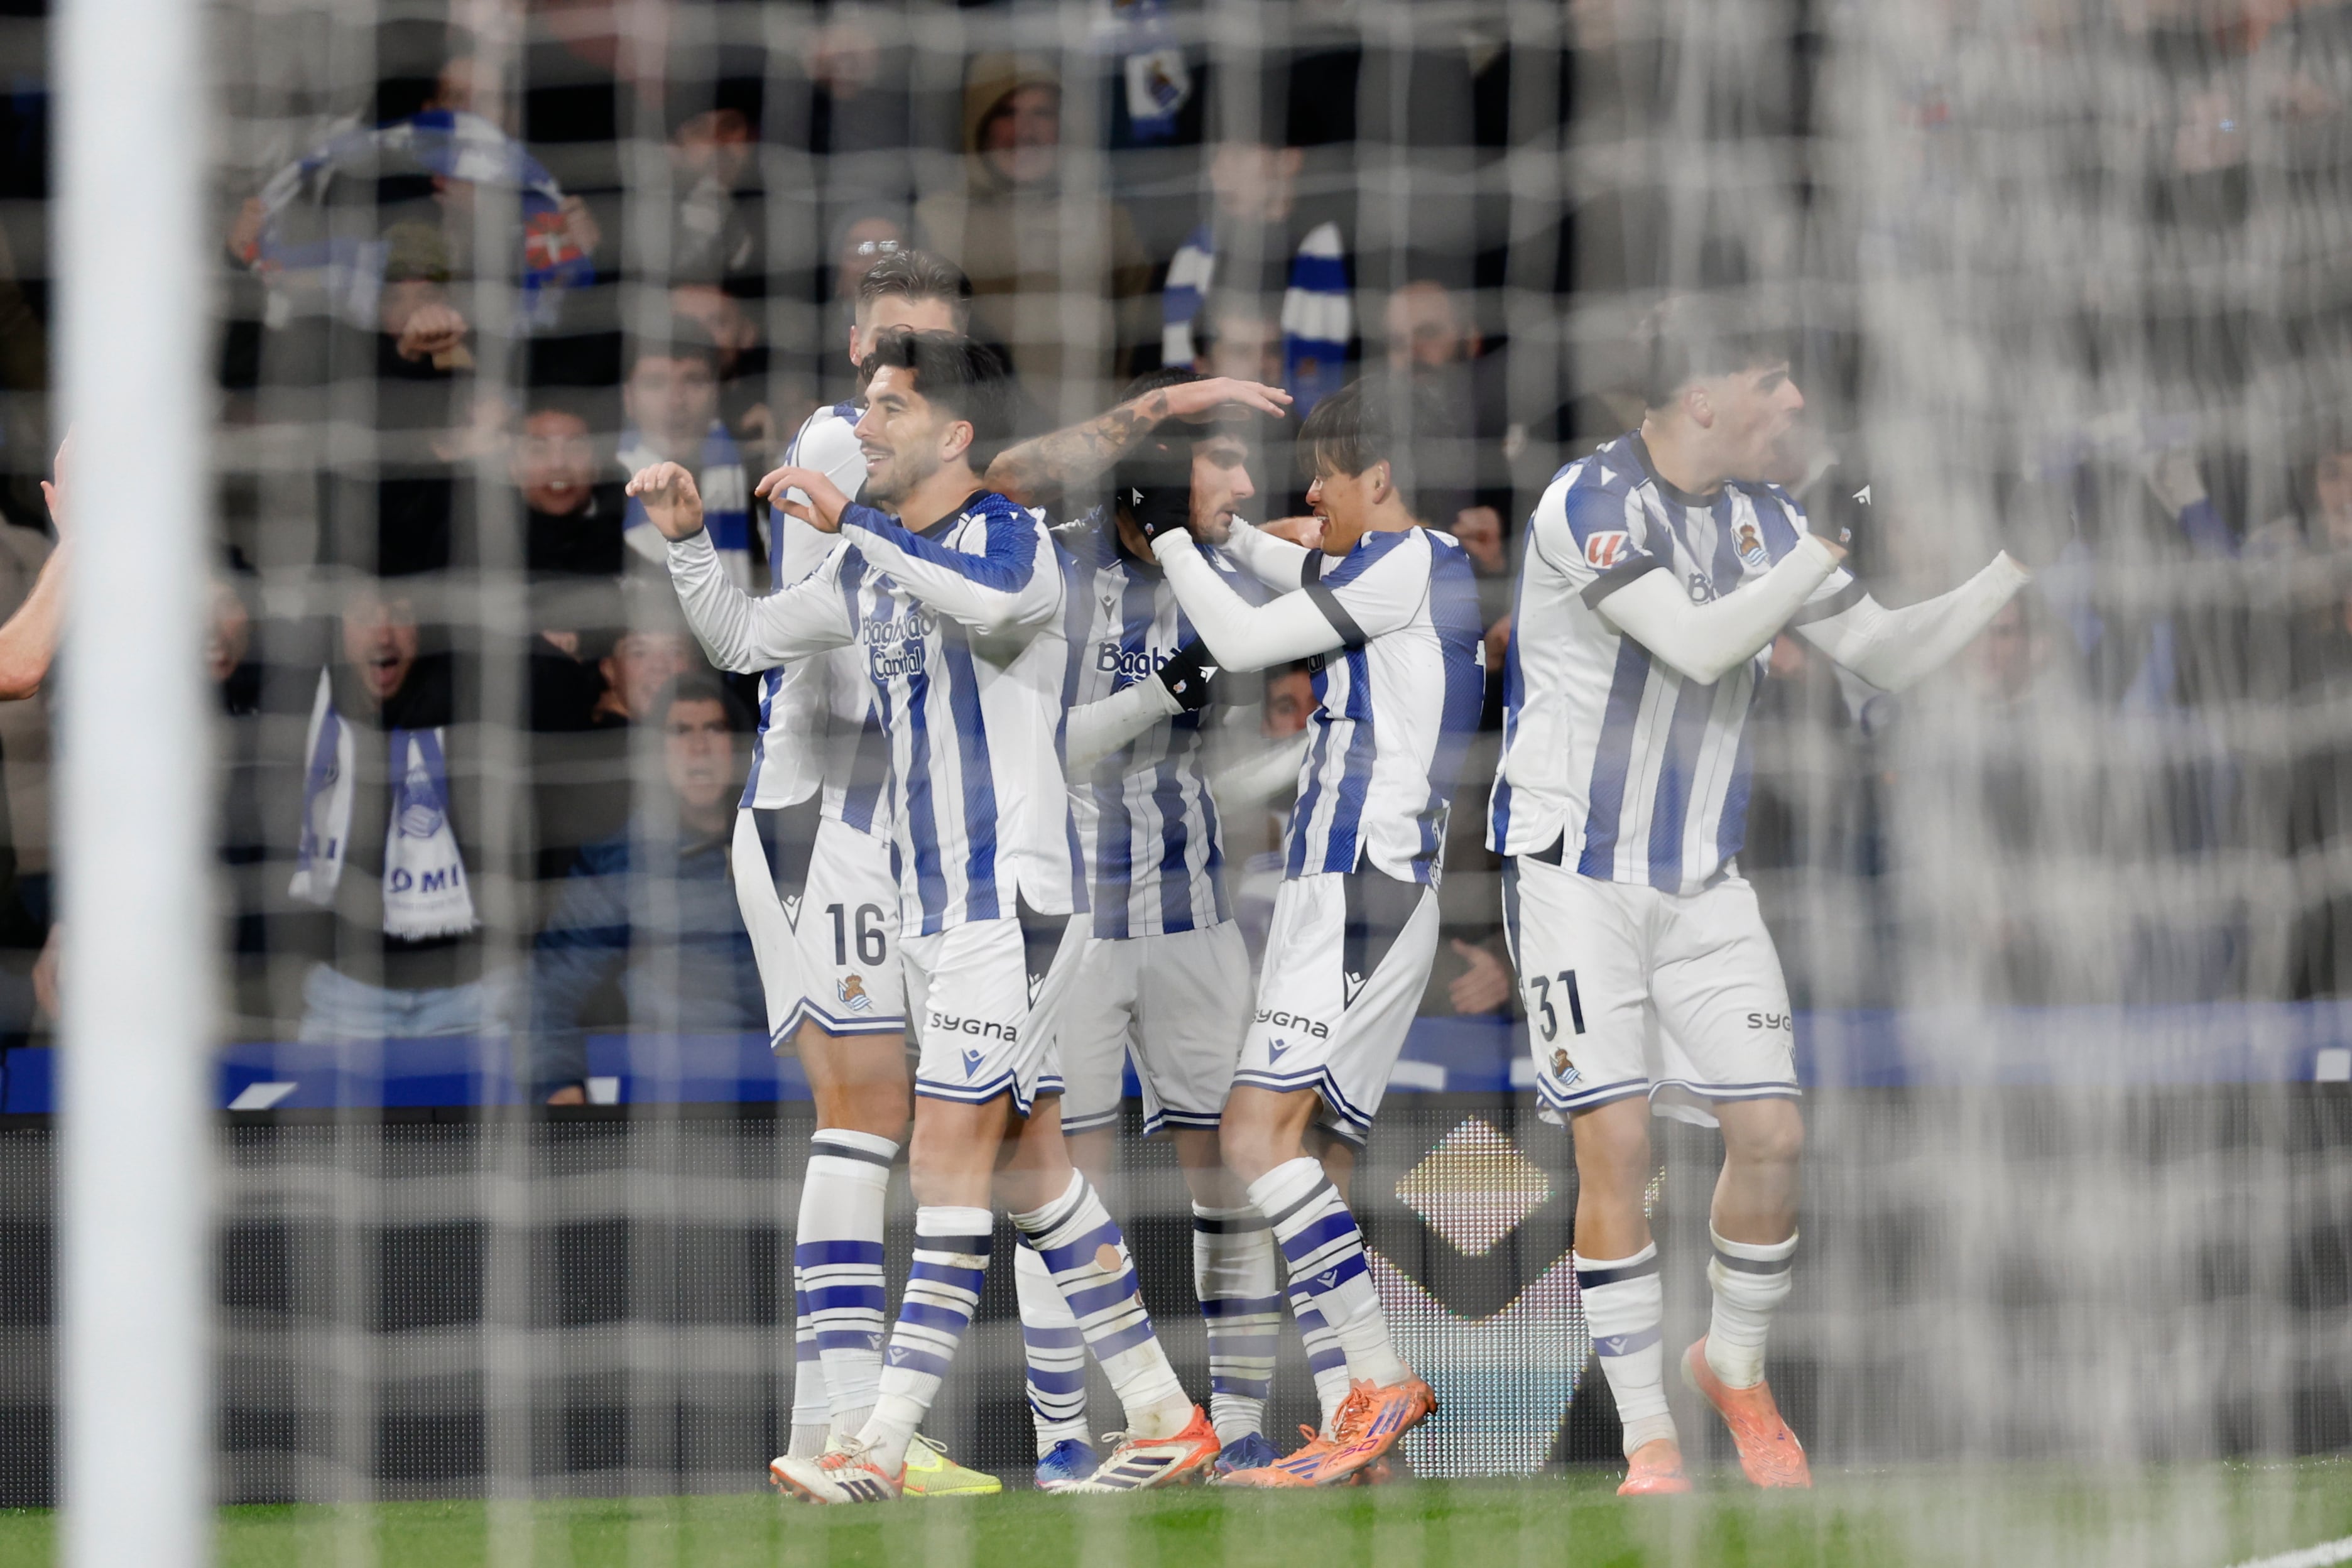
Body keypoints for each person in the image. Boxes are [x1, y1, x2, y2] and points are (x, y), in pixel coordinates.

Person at [638, 327, 1216, 1500]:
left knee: (946, 1164)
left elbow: (994, 615)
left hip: (1016, 905)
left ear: (953, 433)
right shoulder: (866, 564)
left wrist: (856, 527)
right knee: (1028, 1174)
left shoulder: (1013, 538)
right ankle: (1163, 1414)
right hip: (928, 908)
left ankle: (875, 1447)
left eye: (887, 407)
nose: (863, 425)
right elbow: (743, 642)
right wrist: (690, 547)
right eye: (860, 405)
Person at [1488, 297, 2029, 1495]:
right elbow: (1691, 642)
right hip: (1578, 878)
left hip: (1703, 882)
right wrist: (1814, 554)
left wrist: (2005, 565)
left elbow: (1882, 653)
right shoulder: (1586, 501)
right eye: (1770, 382)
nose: (1790, 404)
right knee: (1615, 1147)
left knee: (1773, 1137)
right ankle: (1648, 1444)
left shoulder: (1765, 518)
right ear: (1701, 399)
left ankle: (1731, 1367)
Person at [1130, 376, 1485, 1486]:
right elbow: (1287, 565)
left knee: (1252, 1140)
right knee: (1310, 1155)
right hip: (1364, 898)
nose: (1307, 494)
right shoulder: (1411, 565)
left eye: (1324, 477)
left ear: (1376, 478)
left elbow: (1239, 642)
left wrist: (1167, 539)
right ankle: (1353, 1426)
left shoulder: (1402, 569)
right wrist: (1226, 533)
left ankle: (1376, 1378)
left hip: (1356, 890)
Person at [987, 366, 1297, 1484]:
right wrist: (1159, 693)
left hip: (1197, 915)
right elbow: (1045, 751)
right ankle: (1063, 1439)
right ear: (1146, 498)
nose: (1244, 482)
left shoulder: (1227, 576)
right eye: (1221, 461)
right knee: (1066, 1175)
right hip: (1075, 924)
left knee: (1229, 1170)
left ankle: (1244, 1422)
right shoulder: (1056, 583)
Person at [727, 248, 996, 1498]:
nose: (903, 380)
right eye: (892, 349)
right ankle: (851, 1433)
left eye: (926, 359)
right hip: (816, 805)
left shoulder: (901, 459)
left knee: (880, 1124)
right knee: (866, 1118)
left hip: (883, 823)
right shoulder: (841, 445)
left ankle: (816, 1435)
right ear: (853, 351)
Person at [528, 676, 764, 1099]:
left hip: (792, 1091)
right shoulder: (622, 862)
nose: (699, 748)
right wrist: (559, 1083)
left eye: (715, 729)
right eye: (680, 732)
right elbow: (551, 988)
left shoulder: (789, 846)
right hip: (673, 1098)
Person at [288, 584, 503, 1042]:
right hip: (344, 995)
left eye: (401, 614)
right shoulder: (301, 706)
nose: (383, 635)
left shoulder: (479, 699)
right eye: (364, 614)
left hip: (473, 996)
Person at [913, 53, 1153, 414]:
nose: (1026, 130)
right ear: (979, 122)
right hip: (973, 440)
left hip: (1088, 436)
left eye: (1042, 113)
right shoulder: (937, 221)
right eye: (1008, 113)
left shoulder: (1107, 221)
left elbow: (1136, 334)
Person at [618, 324, 754, 586]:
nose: (676, 401)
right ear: (628, 398)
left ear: (717, 392)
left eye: (693, 381)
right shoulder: (600, 487)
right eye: (656, 383)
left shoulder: (758, 475)